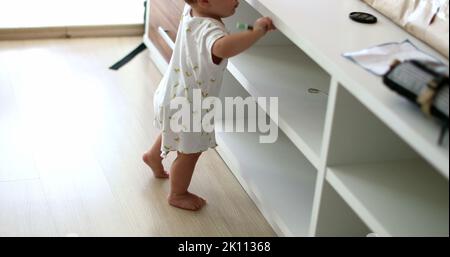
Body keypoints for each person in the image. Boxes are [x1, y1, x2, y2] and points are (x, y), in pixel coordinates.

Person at [143, 0, 275, 211]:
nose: (237, 1)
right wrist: (258, 31)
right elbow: (224, 46)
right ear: (205, 1)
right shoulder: (211, 30)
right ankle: (178, 194)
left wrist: (253, 29)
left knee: (174, 129)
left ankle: (152, 156)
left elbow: (229, 38)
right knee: (189, 152)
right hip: (190, 106)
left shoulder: (192, 12)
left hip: (172, 92)